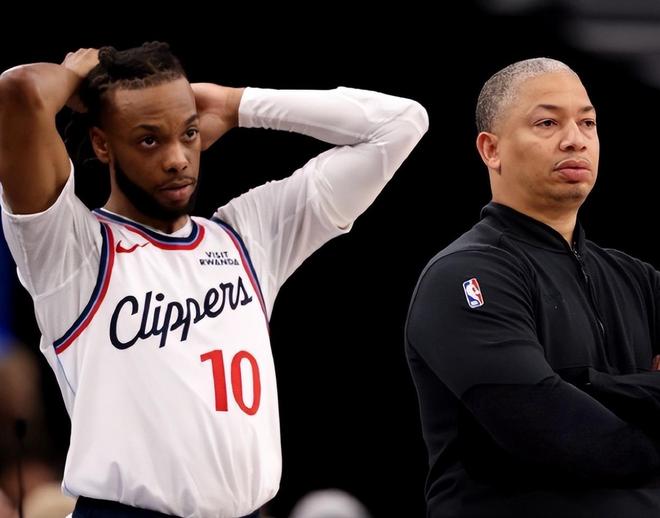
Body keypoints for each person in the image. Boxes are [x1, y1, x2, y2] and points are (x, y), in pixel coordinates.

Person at [0, 42, 428, 518]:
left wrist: (236, 103)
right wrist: (73, 73)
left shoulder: (248, 235)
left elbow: (401, 123)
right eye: (149, 140)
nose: (178, 158)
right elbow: (20, 91)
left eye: (188, 133)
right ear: (103, 144)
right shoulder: (73, 251)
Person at [405, 57, 660, 518]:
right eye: (547, 123)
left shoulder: (639, 279)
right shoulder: (464, 273)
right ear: (491, 149)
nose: (575, 139)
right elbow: (554, 432)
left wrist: (585, 386)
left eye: (587, 123)